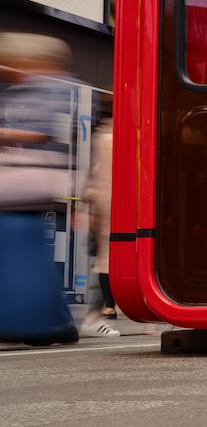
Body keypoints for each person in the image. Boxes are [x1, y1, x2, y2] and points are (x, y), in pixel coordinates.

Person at [0, 34, 80, 346]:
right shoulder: (21, 88)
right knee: (28, 251)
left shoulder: (54, 89)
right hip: (20, 184)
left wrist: (5, 132)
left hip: (28, 182)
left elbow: (45, 131)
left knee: (20, 246)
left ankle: (36, 323)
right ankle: (55, 321)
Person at [79, 105, 120, 337]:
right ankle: (95, 316)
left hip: (107, 207)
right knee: (106, 261)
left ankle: (99, 313)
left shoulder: (105, 135)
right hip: (113, 208)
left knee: (106, 260)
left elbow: (94, 175)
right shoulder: (112, 138)